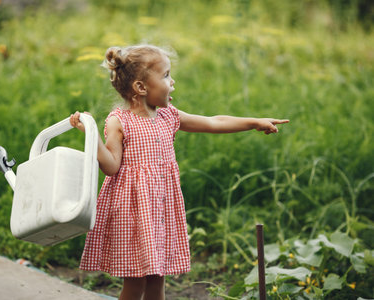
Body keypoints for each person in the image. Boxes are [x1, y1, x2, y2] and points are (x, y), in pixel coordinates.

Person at [70, 45, 289, 300]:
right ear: (141, 88)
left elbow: (212, 121)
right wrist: (93, 136)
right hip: (133, 213)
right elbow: (111, 166)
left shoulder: (168, 115)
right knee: (135, 285)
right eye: (165, 76)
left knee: (157, 282)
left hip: (160, 212)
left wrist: (253, 122)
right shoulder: (120, 121)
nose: (172, 82)